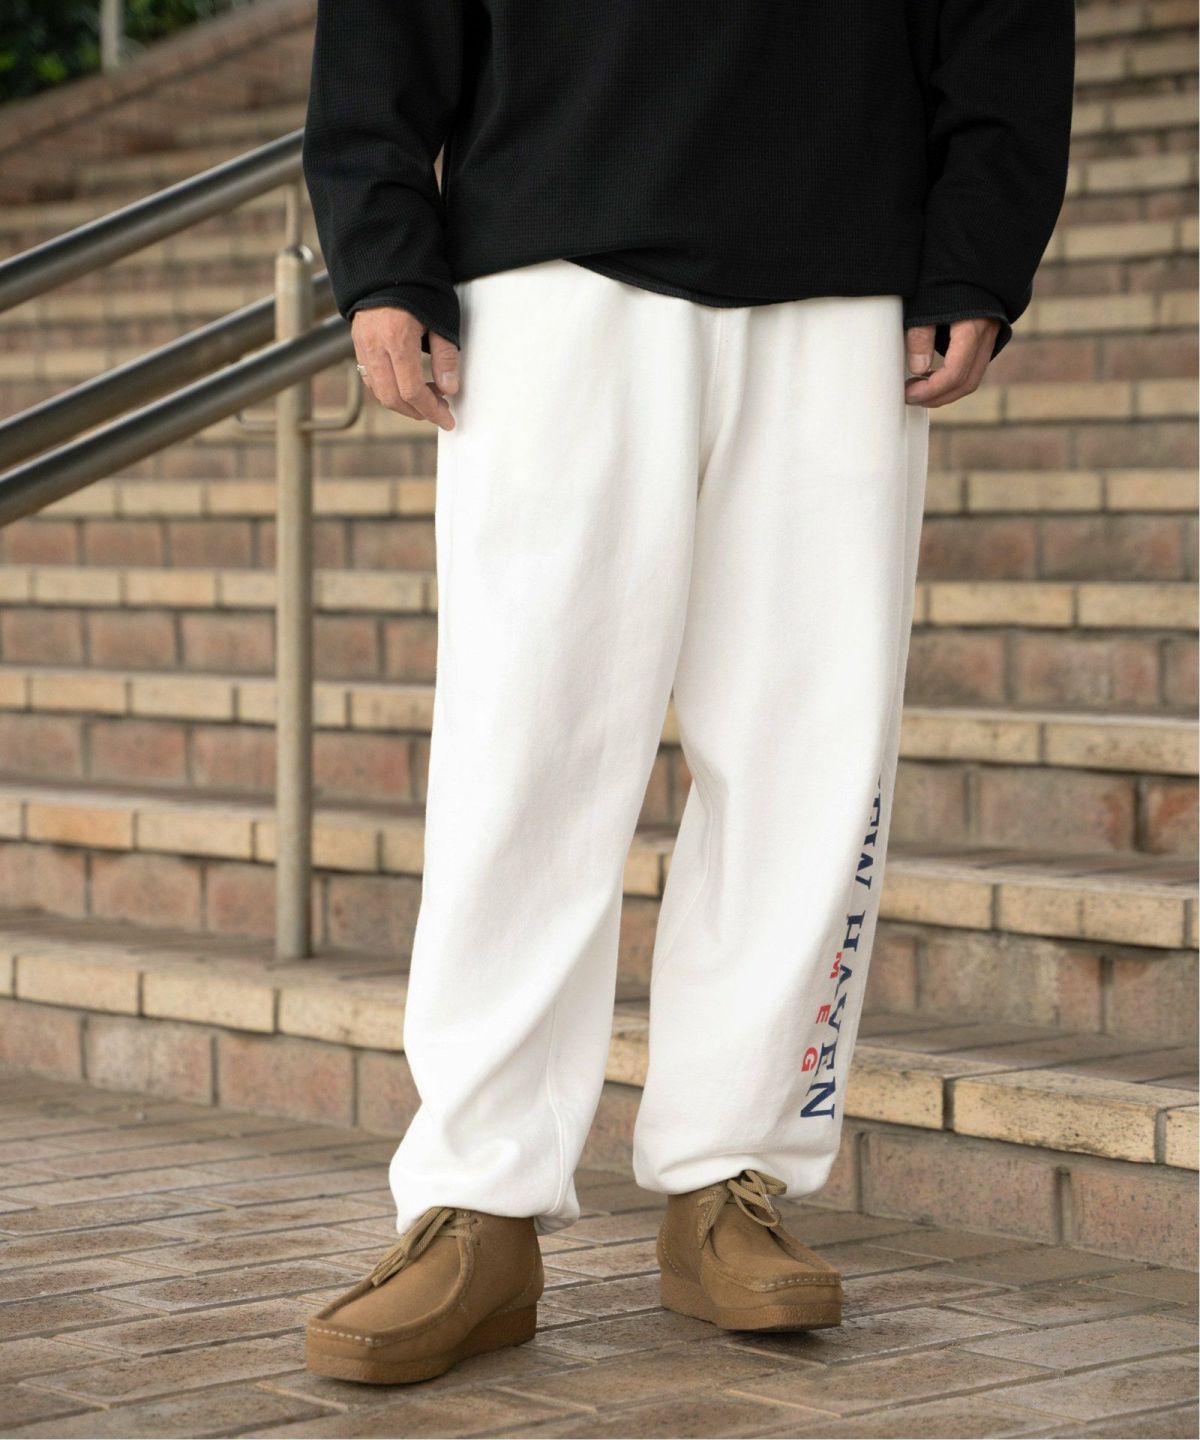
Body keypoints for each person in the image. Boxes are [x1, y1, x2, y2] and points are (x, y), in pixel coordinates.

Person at [300, 0, 1075, 1385]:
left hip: (846, 263)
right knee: (524, 747)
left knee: (807, 753)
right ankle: (476, 1199)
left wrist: (980, 239)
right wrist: (382, 247)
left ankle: (732, 1173)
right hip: (549, 257)